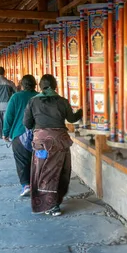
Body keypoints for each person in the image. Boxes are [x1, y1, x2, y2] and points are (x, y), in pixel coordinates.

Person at [23, 74, 82, 216]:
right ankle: (53, 203)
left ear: (40, 86)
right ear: (55, 86)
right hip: (59, 141)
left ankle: (49, 205)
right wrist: (81, 110)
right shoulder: (62, 101)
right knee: (57, 171)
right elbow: (72, 119)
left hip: (41, 142)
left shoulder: (32, 102)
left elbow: (27, 123)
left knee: (43, 171)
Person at [3, 75, 38, 198]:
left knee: (22, 160)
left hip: (19, 134)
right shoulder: (39, 96)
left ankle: (26, 185)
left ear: (22, 85)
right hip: (39, 133)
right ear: (35, 84)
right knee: (37, 160)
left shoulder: (16, 97)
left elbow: (9, 116)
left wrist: (5, 133)